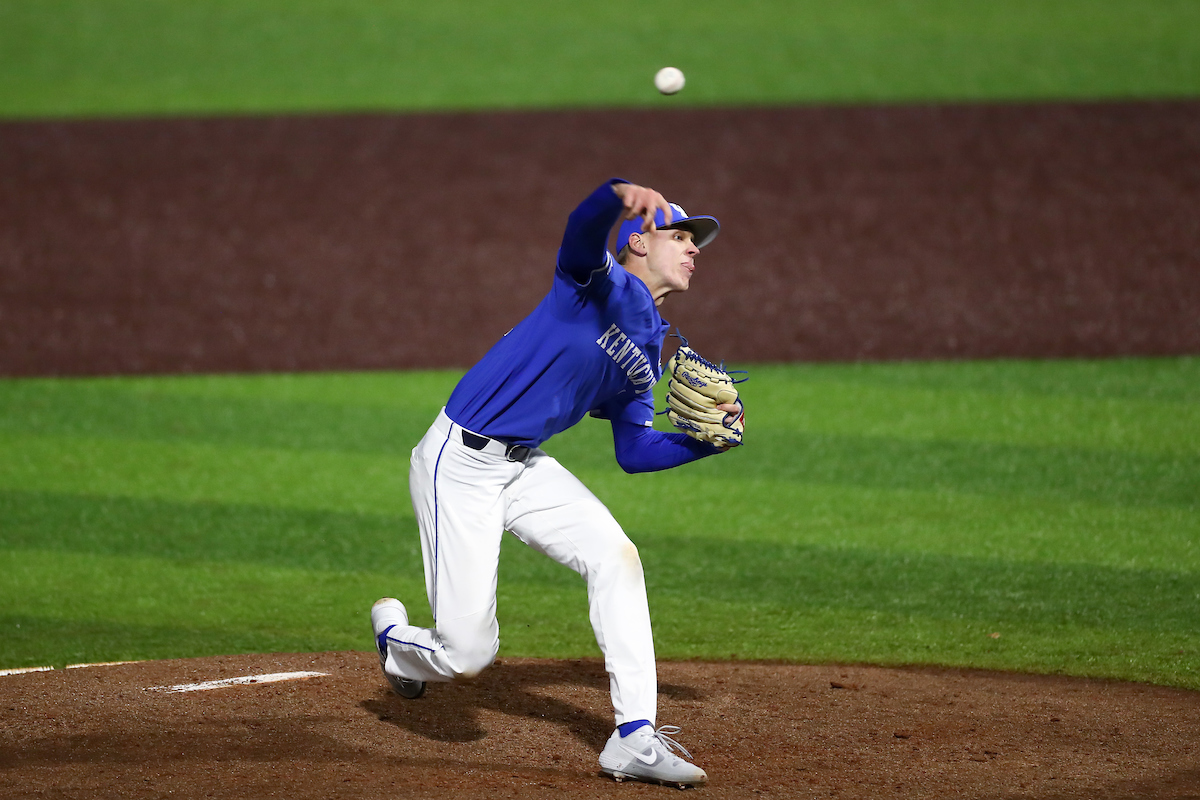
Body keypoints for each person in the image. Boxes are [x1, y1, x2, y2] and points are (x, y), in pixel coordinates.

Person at [370, 178, 741, 788]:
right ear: (638, 242)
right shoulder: (593, 284)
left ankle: (635, 738)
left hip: (524, 468)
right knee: (467, 655)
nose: (694, 249)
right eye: (679, 237)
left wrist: (704, 442)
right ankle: (396, 642)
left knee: (617, 557)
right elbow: (579, 230)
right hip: (459, 464)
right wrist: (616, 194)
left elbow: (634, 451)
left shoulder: (650, 345)